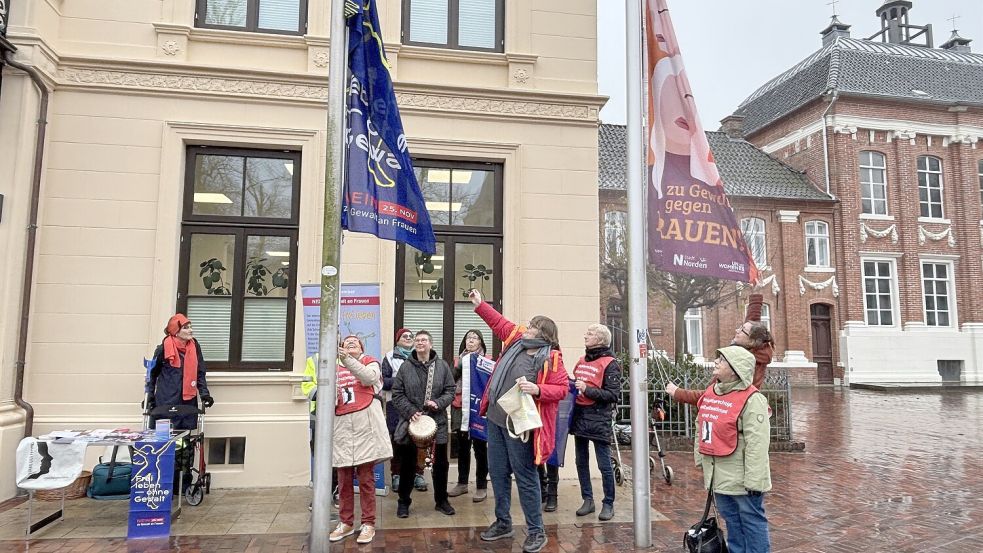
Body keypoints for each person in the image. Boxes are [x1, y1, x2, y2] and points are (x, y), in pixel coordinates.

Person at [470, 289, 568, 553]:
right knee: (498, 473)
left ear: (544, 334)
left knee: (525, 477)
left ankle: (536, 531)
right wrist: (481, 305)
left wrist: (538, 390)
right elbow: (499, 322)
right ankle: (503, 523)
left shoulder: (551, 357)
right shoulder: (515, 340)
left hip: (519, 426)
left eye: (534, 326)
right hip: (496, 419)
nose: (528, 327)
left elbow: (562, 389)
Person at [692, 345, 772, 553]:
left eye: (723, 360)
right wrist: (701, 459)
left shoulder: (753, 400)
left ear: (736, 368)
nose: (716, 362)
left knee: (752, 522)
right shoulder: (711, 393)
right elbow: (700, 425)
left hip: (742, 479)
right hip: (718, 476)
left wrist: (754, 479)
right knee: (732, 522)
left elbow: (758, 442)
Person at [328, 335, 393, 545]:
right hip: (342, 427)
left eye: (355, 341)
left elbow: (369, 378)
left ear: (362, 347)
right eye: (346, 342)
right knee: (344, 479)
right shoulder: (333, 367)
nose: (351, 342)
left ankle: (368, 523)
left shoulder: (370, 361)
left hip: (365, 428)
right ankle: (346, 522)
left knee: (366, 479)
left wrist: (347, 359)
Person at [391, 330, 456, 518]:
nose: (420, 343)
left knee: (441, 465)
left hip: (438, 423)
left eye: (424, 340)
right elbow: (397, 393)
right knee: (408, 465)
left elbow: (450, 390)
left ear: (430, 344)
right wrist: (411, 411)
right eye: (417, 340)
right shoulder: (405, 367)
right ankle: (403, 502)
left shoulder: (442, 366)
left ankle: (442, 501)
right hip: (413, 423)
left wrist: (439, 403)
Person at [667, 294, 774, 404]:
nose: (737, 330)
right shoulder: (756, 348)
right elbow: (752, 323)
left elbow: (710, 396)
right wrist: (755, 295)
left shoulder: (739, 363)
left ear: (752, 341)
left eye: (742, 330)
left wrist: (677, 392)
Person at [569, 323, 621, 521]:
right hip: (580, 417)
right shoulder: (582, 360)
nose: (585, 336)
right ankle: (587, 500)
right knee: (580, 461)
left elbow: (612, 394)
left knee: (604, 464)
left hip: (599, 418)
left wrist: (587, 389)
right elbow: (576, 383)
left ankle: (608, 503)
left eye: (589, 334)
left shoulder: (610, 363)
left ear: (600, 339)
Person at [147, 314, 213, 431]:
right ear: (176, 331)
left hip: (187, 401)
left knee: (184, 439)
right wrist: (150, 396)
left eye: (191, 327)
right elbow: (152, 374)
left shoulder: (195, 347)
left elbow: (200, 372)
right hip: (166, 400)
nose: (191, 330)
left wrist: (204, 394)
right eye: (186, 328)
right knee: (164, 437)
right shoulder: (163, 349)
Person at [381, 328, 426, 492]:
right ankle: (397, 475)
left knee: (419, 440)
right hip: (396, 405)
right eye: (404, 336)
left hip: (418, 405)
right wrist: (402, 381)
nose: (408, 338)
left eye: (410, 336)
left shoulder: (421, 356)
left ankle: (418, 474)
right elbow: (383, 381)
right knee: (398, 440)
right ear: (397, 340)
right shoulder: (389, 357)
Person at [447, 329, 490, 502]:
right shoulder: (458, 360)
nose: (470, 340)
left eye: (475, 338)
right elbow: (450, 380)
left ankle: (481, 486)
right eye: (468, 338)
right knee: (462, 446)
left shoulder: (487, 361)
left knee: (480, 448)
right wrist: (460, 366)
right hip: (460, 407)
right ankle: (462, 483)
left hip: (478, 408)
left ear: (481, 342)